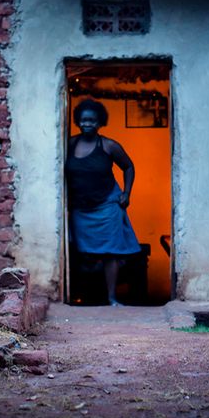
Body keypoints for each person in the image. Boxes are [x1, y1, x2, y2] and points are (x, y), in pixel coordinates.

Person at [65, 98, 141, 306]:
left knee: (111, 253)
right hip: (80, 209)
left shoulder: (109, 146)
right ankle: (80, 297)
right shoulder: (69, 144)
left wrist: (127, 193)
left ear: (100, 123)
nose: (87, 124)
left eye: (92, 120)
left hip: (107, 206)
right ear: (77, 121)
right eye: (84, 120)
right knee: (80, 252)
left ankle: (111, 298)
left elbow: (128, 166)